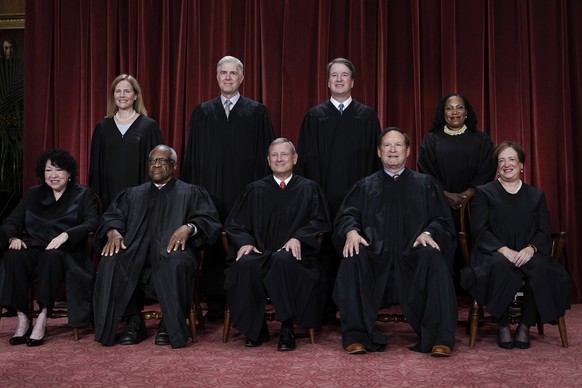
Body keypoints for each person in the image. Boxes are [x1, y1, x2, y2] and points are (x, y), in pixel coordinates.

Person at [333, 127, 458, 357]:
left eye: (398, 145)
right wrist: (351, 231)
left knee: (433, 258)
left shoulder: (425, 184)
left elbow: (442, 220)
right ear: (379, 152)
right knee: (353, 258)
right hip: (375, 256)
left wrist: (429, 233)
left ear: (408, 151)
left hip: (413, 255)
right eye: (387, 146)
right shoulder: (365, 186)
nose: (392, 150)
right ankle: (356, 336)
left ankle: (439, 338)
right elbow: (347, 215)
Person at [93, 145, 221, 349]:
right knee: (112, 260)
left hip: (172, 252)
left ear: (174, 165)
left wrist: (189, 227)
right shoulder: (132, 194)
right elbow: (112, 217)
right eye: (153, 161)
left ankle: (169, 325)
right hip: (136, 251)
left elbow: (208, 221)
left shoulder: (191, 192)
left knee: (176, 261)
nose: (157, 165)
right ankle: (134, 321)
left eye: (163, 161)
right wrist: (113, 231)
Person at [181, 55, 275, 321]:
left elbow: (268, 158)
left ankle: (247, 303)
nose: (228, 78)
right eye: (223, 73)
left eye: (233, 73)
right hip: (210, 194)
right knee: (211, 247)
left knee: (245, 245)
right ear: (216, 77)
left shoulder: (257, 112)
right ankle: (214, 304)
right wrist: (192, 195)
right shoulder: (202, 112)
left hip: (246, 194)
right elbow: (191, 157)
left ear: (242, 78)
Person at [460, 141, 570, 349]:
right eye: (501, 161)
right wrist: (504, 250)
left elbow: (543, 231)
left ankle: (524, 325)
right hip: (493, 251)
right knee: (500, 266)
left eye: (511, 159)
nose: (506, 164)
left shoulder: (536, 195)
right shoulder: (485, 192)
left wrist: (531, 249)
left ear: (521, 165)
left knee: (541, 268)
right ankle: (502, 324)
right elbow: (479, 230)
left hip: (527, 251)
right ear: (497, 166)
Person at [224, 138, 331, 351]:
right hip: (262, 252)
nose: (279, 159)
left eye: (284, 154)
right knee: (245, 265)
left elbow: (320, 221)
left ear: (294, 158)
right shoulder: (254, 190)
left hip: (296, 258)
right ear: (268, 160)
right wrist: (245, 243)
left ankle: (287, 328)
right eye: (274, 155)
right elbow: (234, 224)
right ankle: (256, 329)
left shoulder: (309, 188)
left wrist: (298, 237)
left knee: (283, 260)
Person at [296, 57, 381, 320]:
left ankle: (355, 309)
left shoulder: (366, 116)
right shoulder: (314, 116)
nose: (340, 79)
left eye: (345, 75)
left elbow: (373, 160)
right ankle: (322, 310)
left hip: (358, 200)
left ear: (353, 81)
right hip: (323, 197)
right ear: (328, 81)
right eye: (334, 75)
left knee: (355, 251)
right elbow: (306, 163)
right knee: (323, 253)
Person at [0, 149, 98, 346]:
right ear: (42, 173)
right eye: (48, 170)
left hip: (66, 250)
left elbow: (92, 223)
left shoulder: (83, 194)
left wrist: (67, 234)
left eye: (59, 170)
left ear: (69, 173)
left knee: (50, 257)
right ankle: (23, 318)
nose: (53, 175)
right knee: (14, 256)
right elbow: (10, 221)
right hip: (35, 245)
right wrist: (12, 238)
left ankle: (43, 316)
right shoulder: (33, 194)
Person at [417, 94, 495, 288]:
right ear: (443, 113)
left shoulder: (481, 140)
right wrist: (446, 195)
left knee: (473, 241)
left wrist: (469, 193)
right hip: (440, 203)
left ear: (466, 112)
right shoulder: (431, 140)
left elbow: (488, 168)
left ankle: (473, 286)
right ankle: (444, 287)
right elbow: (426, 171)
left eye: (459, 108)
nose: (454, 113)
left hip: (474, 205)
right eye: (449, 108)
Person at [89, 74, 163, 210]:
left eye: (127, 91)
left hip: (141, 200)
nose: (122, 95)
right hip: (109, 199)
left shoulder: (148, 126)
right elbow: (95, 168)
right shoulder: (102, 127)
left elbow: (157, 166)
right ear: (113, 96)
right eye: (118, 91)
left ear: (135, 95)